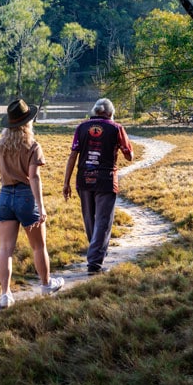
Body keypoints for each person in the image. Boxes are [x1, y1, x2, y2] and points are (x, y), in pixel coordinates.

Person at [0, 98, 64, 308]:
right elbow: (34, 177)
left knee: (5, 248)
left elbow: (0, 170)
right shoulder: (33, 146)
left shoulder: (1, 145)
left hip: (5, 196)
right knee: (38, 246)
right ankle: (45, 284)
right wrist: (40, 207)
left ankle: (5, 294)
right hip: (26, 197)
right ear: (27, 123)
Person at [62, 98, 133, 275]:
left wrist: (66, 182)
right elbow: (129, 155)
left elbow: (73, 156)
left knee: (89, 218)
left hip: (84, 179)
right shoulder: (116, 128)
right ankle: (94, 263)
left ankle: (96, 252)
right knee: (103, 221)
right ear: (110, 113)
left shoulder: (81, 128)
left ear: (95, 111)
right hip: (106, 180)